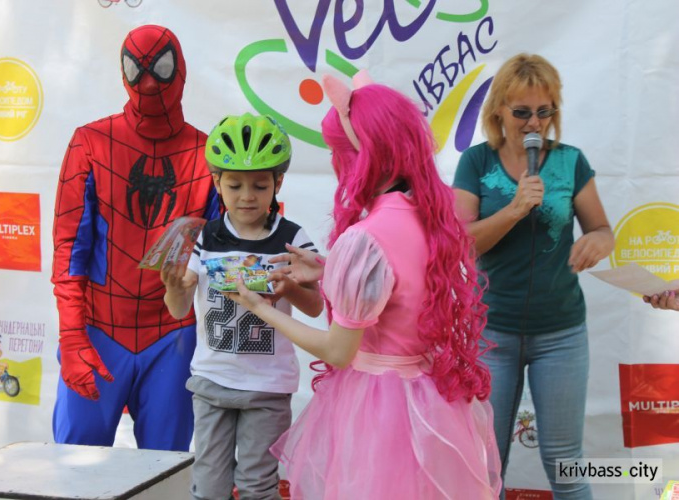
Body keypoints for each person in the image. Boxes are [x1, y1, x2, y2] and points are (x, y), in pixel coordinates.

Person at [226, 73, 502, 499]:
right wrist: (330, 269)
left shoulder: (365, 238)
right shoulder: (427, 215)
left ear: (362, 156)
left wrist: (259, 308)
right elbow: (401, 285)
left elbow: (339, 350)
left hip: (377, 408)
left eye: (339, 152)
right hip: (429, 399)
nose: (337, 164)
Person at [452, 54, 615, 499]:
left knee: (565, 463)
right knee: (486, 465)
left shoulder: (570, 162)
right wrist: (515, 208)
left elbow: (601, 229)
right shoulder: (476, 162)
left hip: (561, 333)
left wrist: (600, 241)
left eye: (545, 112)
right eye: (522, 112)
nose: (533, 124)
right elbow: (459, 244)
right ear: (499, 110)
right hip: (492, 332)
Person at [51, 25, 218, 451]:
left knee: (163, 474)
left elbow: (229, 254)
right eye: (137, 69)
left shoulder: (209, 154)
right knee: (77, 467)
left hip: (172, 333)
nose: (148, 83)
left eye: (160, 69)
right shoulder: (90, 143)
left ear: (180, 69)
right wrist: (72, 334)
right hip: (98, 328)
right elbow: (70, 247)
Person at [161, 113, 324, 500]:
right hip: (211, 381)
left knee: (257, 487)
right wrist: (173, 288)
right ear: (216, 182)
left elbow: (316, 307)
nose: (247, 196)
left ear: (278, 183)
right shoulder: (206, 236)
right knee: (208, 485)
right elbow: (178, 308)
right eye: (234, 185)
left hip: (267, 389)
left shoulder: (291, 237)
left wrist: (289, 288)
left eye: (260, 185)